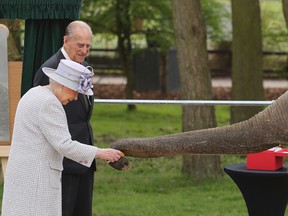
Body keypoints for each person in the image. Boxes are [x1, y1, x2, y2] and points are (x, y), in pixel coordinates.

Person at [1, 59, 123, 216]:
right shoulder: (50, 103)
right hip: (38, 182)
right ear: (63, 86)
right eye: (76, 92)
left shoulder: (34, 93)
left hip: (24, 178)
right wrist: (100, 152)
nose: (75, 98)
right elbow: (65, 145)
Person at [33, 20, 96, 216]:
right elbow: (41, 114)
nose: (84, 50)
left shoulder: (84, 67)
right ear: (66, 40)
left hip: (84, 157)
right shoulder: (50, 70)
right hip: (62, 162)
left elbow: (83, 113)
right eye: (80, 45)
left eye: (88, 46)